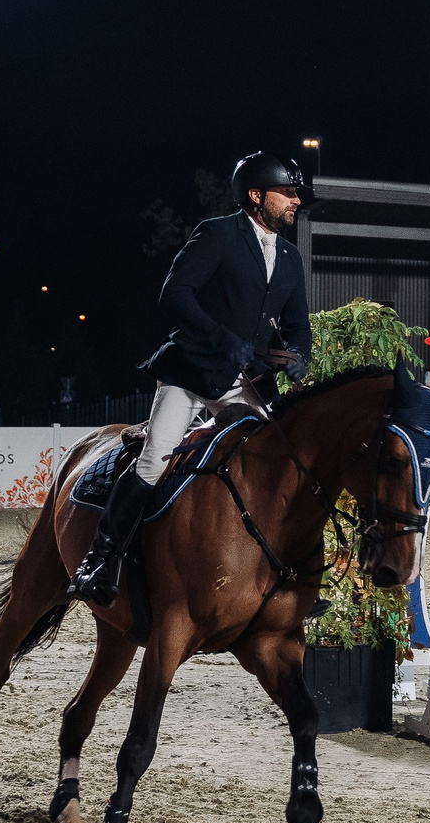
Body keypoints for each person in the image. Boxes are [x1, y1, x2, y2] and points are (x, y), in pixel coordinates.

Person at [67, 152, 313, 601]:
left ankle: (285, 572)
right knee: (156, 458)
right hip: (191, 371)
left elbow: (298, 324)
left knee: (280, 463)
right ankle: (99, 560)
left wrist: (299, 356)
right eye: (289, 192)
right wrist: (224, 340)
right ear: (256, 196)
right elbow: (175, 296)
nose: (297, 200)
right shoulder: (218, 234)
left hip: (245, 380)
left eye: (298, 193)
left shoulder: (291, 258)